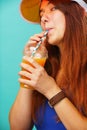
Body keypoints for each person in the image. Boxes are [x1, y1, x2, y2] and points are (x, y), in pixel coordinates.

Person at [9, 0, 87, 130]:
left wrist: (51, 90)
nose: (43, 18)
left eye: (53, 8)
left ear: (82, 13)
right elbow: (17, 127)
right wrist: (31, 64)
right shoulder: (45, 67)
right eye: (41, 14)